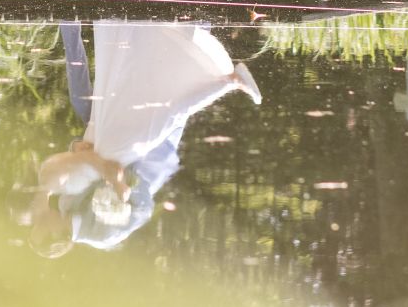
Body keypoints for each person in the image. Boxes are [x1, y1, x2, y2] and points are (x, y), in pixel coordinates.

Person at [22, 21, 261, 256]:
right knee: (169, 104)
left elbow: (75, 166)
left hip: (107, 141)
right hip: (145, 159)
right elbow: (144, 208)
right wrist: (123, 184)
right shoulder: (103, 235)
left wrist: (77, 148)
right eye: (40, 226)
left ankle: (72, 23)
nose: (37, 220)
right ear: (57, 235)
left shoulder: (64, 204)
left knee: (87, 98)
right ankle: (200, 35)